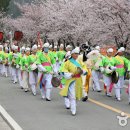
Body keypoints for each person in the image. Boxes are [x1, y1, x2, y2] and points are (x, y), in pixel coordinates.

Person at [60, 47, 87, 116]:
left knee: (77, 94)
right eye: (75, 54)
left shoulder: (80, 62)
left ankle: (74, 105)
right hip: (71, 80)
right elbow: (63, 71)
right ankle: (73, 109)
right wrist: (70, 74)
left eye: (77, 54)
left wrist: (82, 71)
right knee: (72, 95)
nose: (76, 55)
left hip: (79, 80)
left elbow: (85, 69)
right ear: (72, 54)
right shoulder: (67, 62)